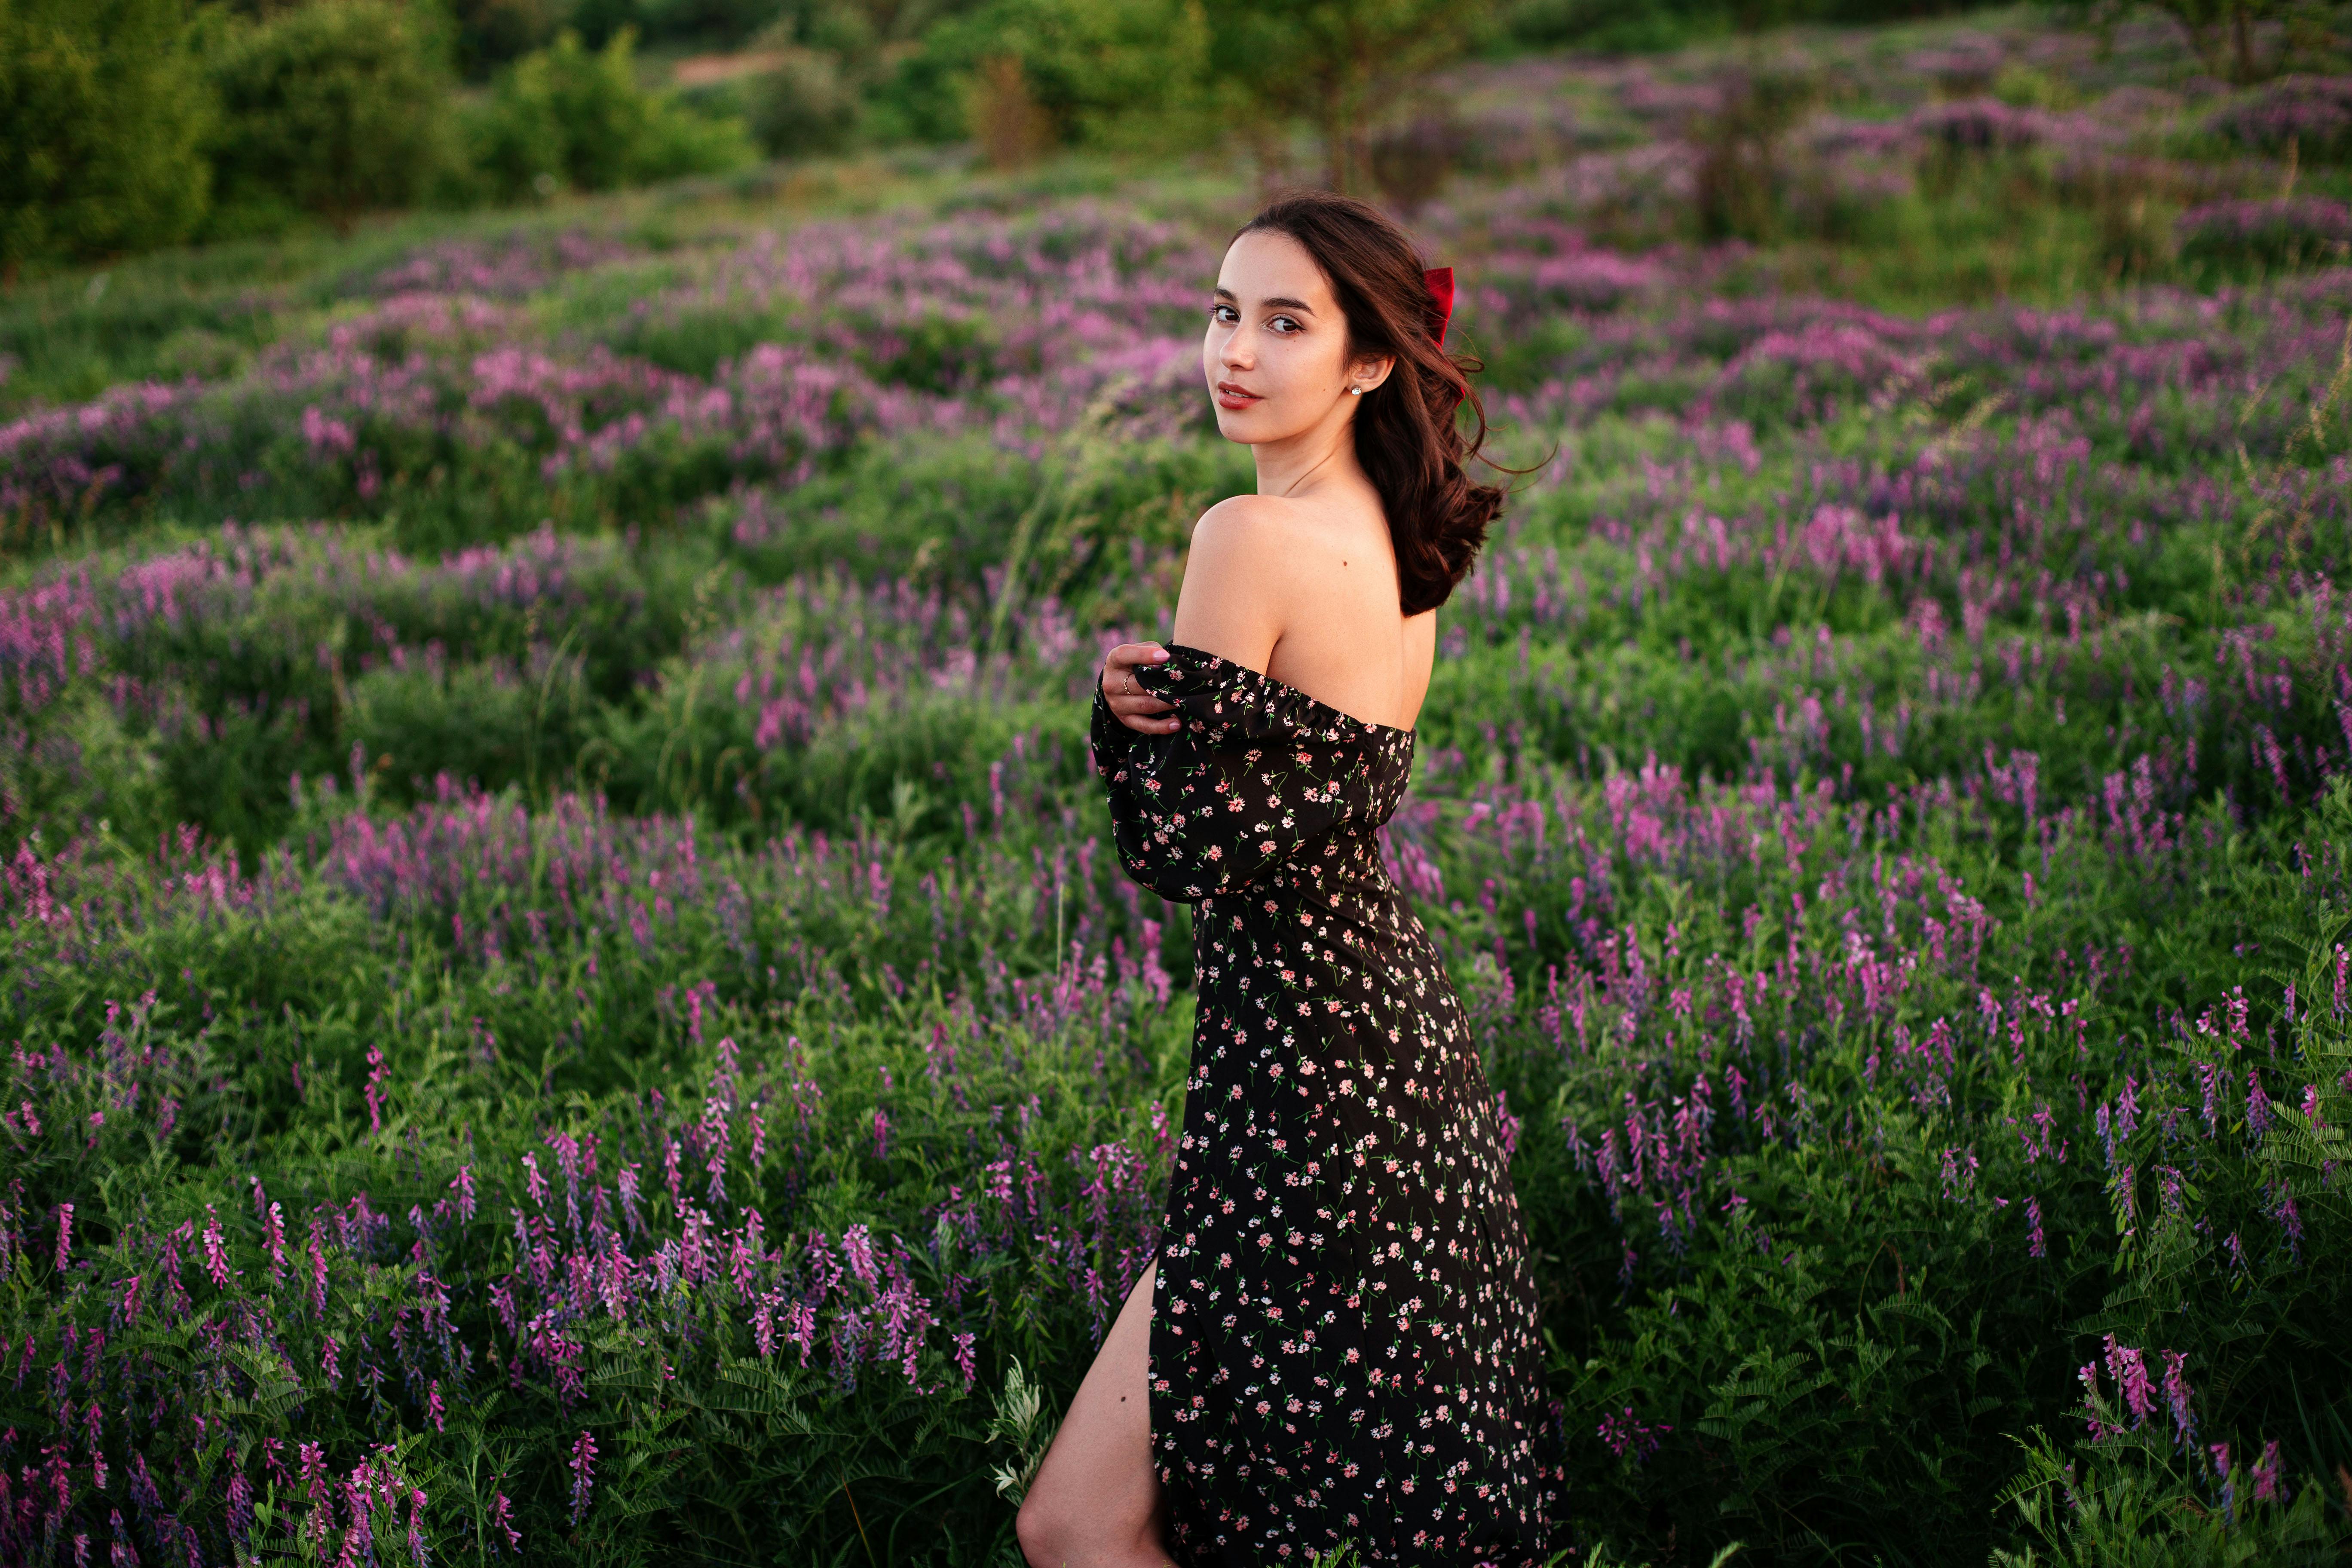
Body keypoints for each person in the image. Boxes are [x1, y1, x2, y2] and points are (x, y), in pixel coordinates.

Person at [1016, 190, 1563, 1568]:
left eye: (1283, 322)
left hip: (1300, 1079)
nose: (1234, 352)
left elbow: (1191, 850)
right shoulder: (1401, 541)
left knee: (1079, 1525)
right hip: (1390, 1049)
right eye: (1220, 312)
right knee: (1335, 1488)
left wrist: (1123, 722)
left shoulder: (1244, 538)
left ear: (1369, 359)